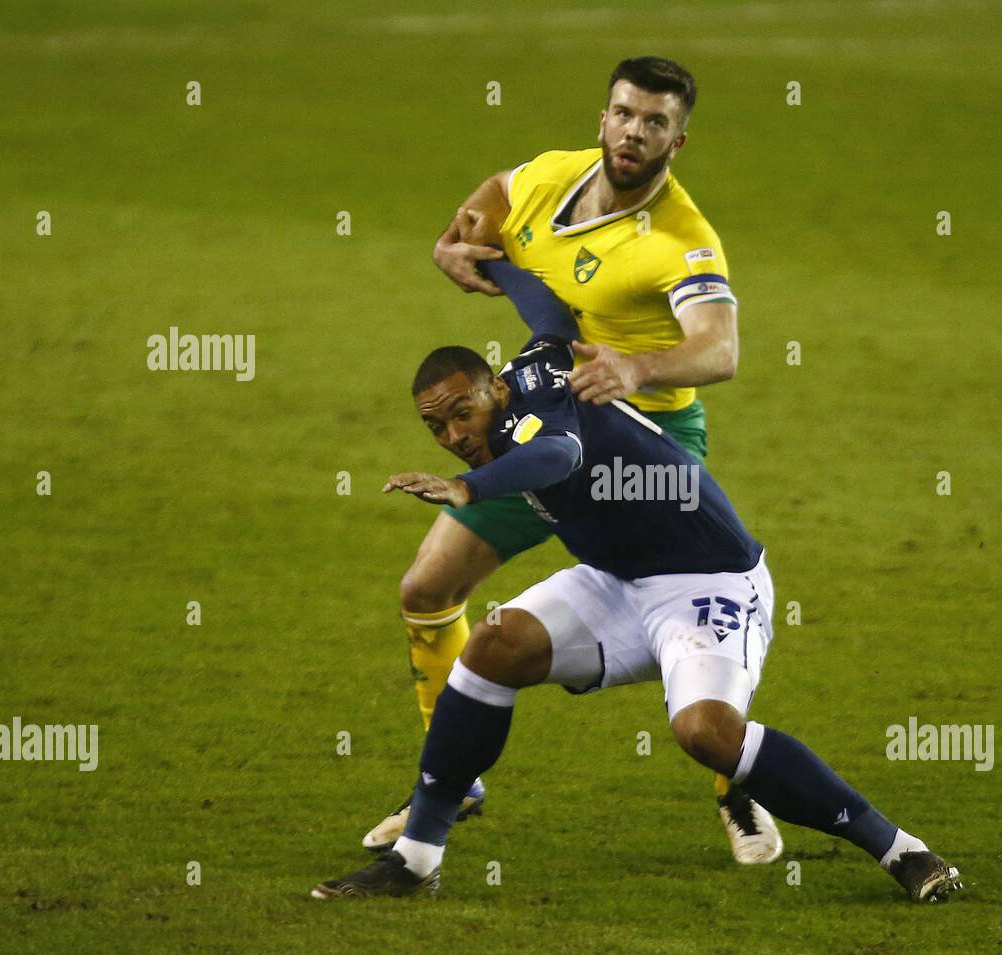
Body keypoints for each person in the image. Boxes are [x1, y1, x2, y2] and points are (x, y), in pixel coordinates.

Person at [314, 259, 962, 904]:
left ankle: (903, 851)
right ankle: (417, 862)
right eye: (437, 426)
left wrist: (469, 487)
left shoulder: (529, 428)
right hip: (617, 581)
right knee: (490, 648)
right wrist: (496, 266)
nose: (454, 435)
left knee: (705, 732)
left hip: (710, 584)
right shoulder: (535, 365)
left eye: (463, 413)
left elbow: (559, 455)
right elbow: (550, 317)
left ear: (494, 392)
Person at [366, 55, 783, 865]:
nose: (635, 133)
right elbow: (498, 192)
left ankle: (735, 784)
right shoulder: (557, 176)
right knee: (426, 589)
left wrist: (637, 367)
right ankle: (452, 786)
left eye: (655, 123)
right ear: (603, 118)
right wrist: (458, 242)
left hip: (640, 448)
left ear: (678, 140)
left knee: (672, 615)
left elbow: (721, 349)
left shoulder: (680, 239)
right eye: (625, 114)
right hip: (538, 433)